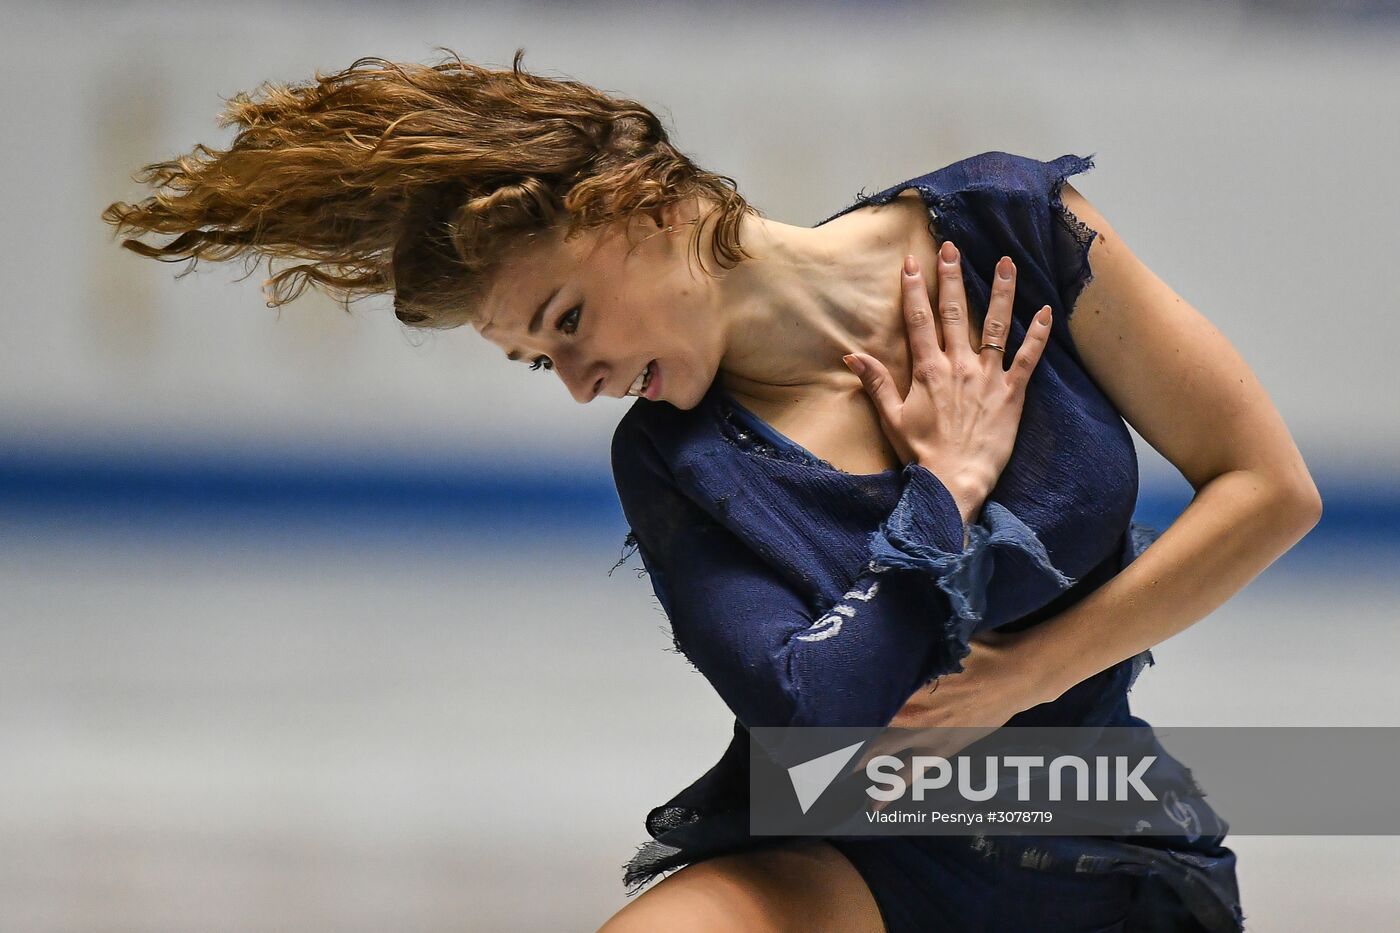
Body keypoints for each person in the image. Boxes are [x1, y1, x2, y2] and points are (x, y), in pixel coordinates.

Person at [102, 49, 1320, 932]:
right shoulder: (674, 458)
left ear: (649, 208)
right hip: (848, 857)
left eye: (567, 319)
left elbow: (1265, 487)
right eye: (541, 361)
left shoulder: (1008, 224)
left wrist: (1034, 672)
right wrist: (940, 490)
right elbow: (810, 719)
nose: (579, 381)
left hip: (1095, 835)